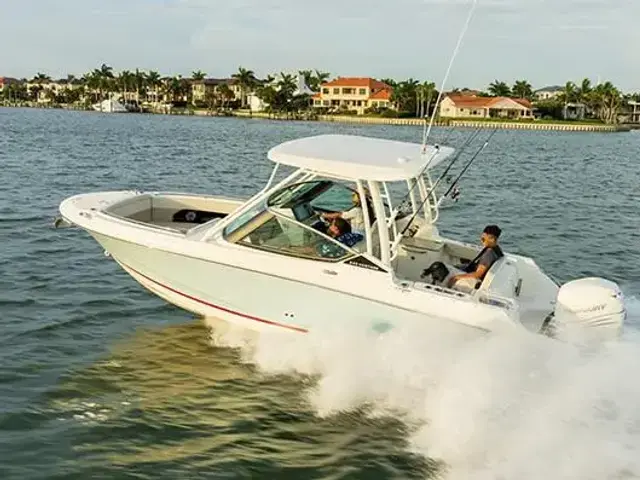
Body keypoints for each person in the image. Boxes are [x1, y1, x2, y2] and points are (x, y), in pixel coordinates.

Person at [421, 224, 504, 292]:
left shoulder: (488, 254)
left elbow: (478, 274)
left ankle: (435, 289)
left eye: (483, 239)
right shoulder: (496, 250)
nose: (481, 241)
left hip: (473, 280)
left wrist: (456, 277)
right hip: (470, 271)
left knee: (437, 267)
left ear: (492, 239)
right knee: (448, 266)